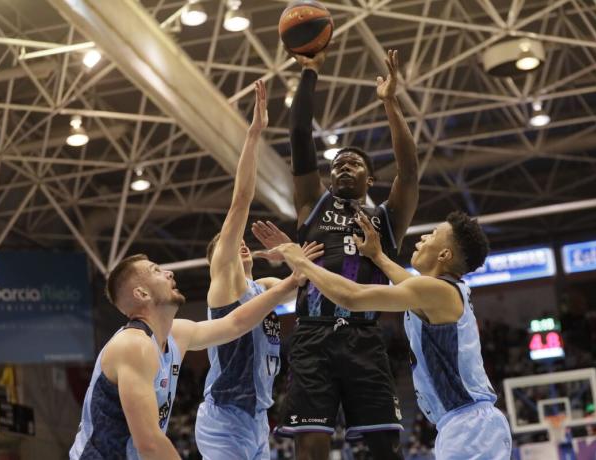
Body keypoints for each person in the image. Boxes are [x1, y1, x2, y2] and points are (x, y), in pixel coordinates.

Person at [262, 210, 512, 460]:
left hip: (470, 426)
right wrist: (378, 256)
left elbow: (352, 297)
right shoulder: (441, 291)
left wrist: (301, 261)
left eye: (432, 235)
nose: (422, 238)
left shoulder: (435, 290)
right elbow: (406, 283)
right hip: (468, 424)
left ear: (445, 254)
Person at [273, 46, 419, 459]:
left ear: (371, 178)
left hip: (364, 338)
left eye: (353, 162)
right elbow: (300, 136)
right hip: (312, 335)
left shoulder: (387, 218)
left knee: (385, 449)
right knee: (312, 448)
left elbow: (409, 171)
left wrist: (390, 103)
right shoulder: (311, 205)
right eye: (337, 162)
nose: (342, 165)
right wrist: (310, 73)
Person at [194, 80, 323, 459]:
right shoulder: (225, 283)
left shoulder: (265, 283)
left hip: (257, 419)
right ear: (218, 259)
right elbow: (240, 204)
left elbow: (312, 285)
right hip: (224, 418)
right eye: (227, 243)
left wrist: (291, 252)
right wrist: (254, 135)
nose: (237, 244)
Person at [69, 254, 301, 460]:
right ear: (141, 293)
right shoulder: (133, 345)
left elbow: (235, 324)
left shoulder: (176, 334)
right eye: (156, 271)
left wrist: (287, 285)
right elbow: (149, 443)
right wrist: (239, 204)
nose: (169, 272)